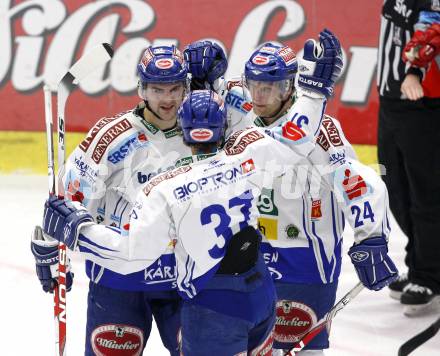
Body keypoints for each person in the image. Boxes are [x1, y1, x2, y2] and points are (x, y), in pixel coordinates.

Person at [188, 35, 398, 355]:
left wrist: (371, 237)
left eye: (268, 87)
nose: (258, 95)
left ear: (288, 88)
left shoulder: (321, 129)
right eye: (253, 84)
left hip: (305, 258)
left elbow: (360, 183)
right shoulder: (243, 106)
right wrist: (201, 83)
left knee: (300, 351)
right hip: (253, 253)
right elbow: (209, 104)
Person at [31, 45, 194, 355]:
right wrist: (49, 244)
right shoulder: (111, 136)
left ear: (186, 87)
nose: (168, 98)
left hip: (181, 278)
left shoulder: (200, 130)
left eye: (175, 88)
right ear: (142, 89)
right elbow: (68, 197)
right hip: (120, 278)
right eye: (158, 89)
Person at [377, 1, 440, 316]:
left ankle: (428, 275)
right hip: (390, 103)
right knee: (395, 190)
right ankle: (421, 262)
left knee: (424, 195)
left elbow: (431, 28)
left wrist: (414, 71)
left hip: (421, 105)